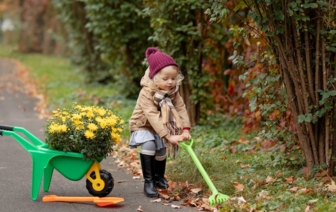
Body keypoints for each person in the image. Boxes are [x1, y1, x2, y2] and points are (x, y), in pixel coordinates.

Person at [129, 47, 191, 198]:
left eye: (173, 78)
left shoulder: (173, 92)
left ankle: (159, 177)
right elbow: (152, 115)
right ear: (155, 77)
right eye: (165, 79)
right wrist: (169, 136)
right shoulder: (146, 92)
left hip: (159, 126)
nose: (170, 82)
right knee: (150, 144)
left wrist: (186, 129)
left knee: (161, 149)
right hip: (143, 124)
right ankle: (148, 182)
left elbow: (181, 108)